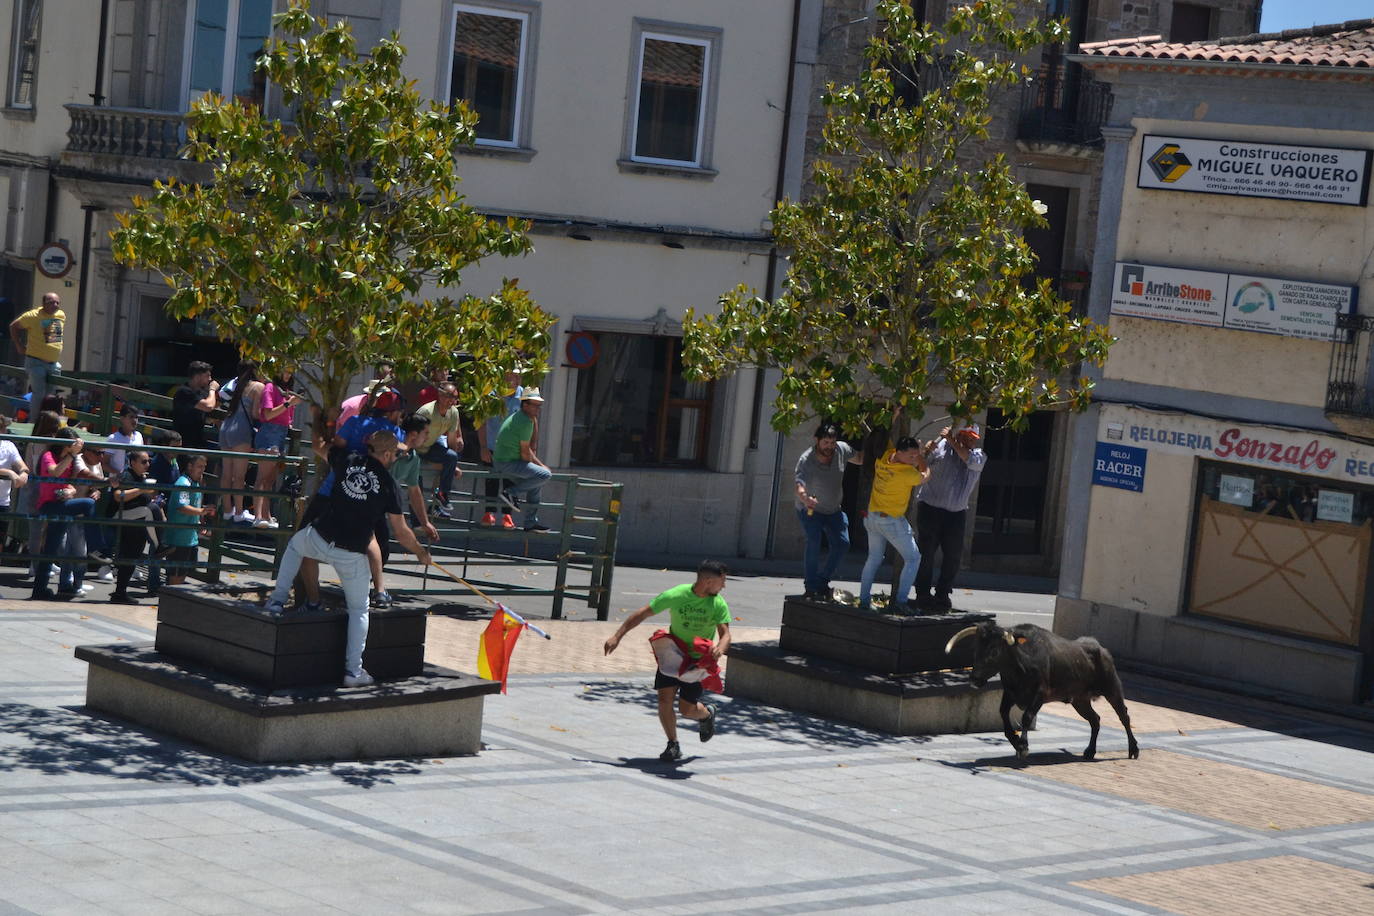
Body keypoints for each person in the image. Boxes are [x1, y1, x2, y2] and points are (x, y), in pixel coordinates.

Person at [262, 430, 433, 687]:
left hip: (320, 537)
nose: (398, 456)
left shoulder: (349, 459)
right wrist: (421, 553)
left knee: (295, 547)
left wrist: (323, 419)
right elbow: (401, 532)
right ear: (387, 454)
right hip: (352, 552)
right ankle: (353, 672)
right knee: (359, 610)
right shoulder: (389, 484)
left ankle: (276, 602)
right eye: (396, 453)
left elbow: (319, 445)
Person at [603, 559, 731, 762]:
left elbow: (726, 634)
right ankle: (673, 744)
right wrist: (617, 636)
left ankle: (706, 715)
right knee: (664, 699)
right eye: (722, 581)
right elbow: (643, 613)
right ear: (707, 581)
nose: (724, 585)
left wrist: (720, 648)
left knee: (687, 710)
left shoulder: (717, 603)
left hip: (697, 663)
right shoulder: (677, 594)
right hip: (673, 656)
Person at [913, 423, 987, 613]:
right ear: (959, 434)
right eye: (967, 437)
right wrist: (925, 452)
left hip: (956, 514)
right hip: (930, 508)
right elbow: (920, 467)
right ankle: (922, 593)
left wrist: (951, 440)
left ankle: (942, 593)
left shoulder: (978, 455)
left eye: (973, 439)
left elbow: (967, 458)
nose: (970, 441)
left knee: (953, 556)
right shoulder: (941, 447)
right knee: (926, 553)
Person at [858, 436, 928, 612]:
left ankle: (864, 601)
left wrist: (896, 415)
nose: (913, 459)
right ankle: (901, 602)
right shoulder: (907, 473)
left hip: (872, 517)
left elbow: (889, 439)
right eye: (911, 456)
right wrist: (921, 457)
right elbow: (925, 475)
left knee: (873, 559)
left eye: (915, 456)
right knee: (913, 558)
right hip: (890, 521)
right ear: (900, 452)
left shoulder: (885, 456)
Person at [30, 428, 102, 600]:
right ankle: (96, 547)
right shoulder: (49, 455)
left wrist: (69, 489)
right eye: (72, 443)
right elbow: (54, 471)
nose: (74, 446)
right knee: (88, 504)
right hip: (48, 505)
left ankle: (39, 589)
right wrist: (71, 455)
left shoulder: (70, 459)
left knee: (50, 550)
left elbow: (68, 483)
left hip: (61, 503)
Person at [794, 422, 863, 600]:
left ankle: (822, 581)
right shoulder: (807, 458)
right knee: (814, 542)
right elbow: (799, 484)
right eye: (825, 443)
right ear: (817, 440)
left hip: (834, 510)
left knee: (842, 544)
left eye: (832, 443)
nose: (829, 447)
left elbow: (861, 459)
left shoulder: (842, 450)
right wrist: (805, 498)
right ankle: (811, 587)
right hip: (811, 509)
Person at [109, 449, 172, 604]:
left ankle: (120, 593)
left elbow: (144, 498)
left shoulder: (142, 477)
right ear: (132, 462)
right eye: (143, 461)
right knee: (151, 509)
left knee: (133, 553)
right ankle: (159, 546)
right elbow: (118, 496)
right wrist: (142, 490)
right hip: (120, 515)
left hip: (136, 518)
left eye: (148, 461)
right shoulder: (126, 475)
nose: (147, 464)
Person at [493, 388, 552, 532]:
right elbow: (525, 452)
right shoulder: (525, 421)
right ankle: (510, 493)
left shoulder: (520, 417)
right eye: (535, 404)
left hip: (503, 461)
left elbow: (526, 451)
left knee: (536, 483)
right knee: (545, 475)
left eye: (539, 405)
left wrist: (539, 465)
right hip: (508, 463)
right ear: (525, 405)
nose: (538, 408)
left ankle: (530, 522)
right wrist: (542, 467)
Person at [251, 368, 303, 529]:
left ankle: (266, 515)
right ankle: (258, 516)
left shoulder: (286, 391)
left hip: (280, 435)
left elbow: (288, 419)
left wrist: (290, 404)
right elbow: (267, 415)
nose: (287, 375)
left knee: (270, 479)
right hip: (269, 433)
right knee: (262, 477)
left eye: (290, 372)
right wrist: (289, 403)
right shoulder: (270, 388)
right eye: (284, 371)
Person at [217, 360, 264, 522]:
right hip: (241, 429)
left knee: (226, 473)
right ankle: (238, 512)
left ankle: (227, 510)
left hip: (226, 427)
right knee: (239, 476)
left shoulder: (234, 385)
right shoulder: (258, 387)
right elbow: (256, 414)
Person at [477, 368, 523, 528]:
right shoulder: (491, 394)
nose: (513, 380)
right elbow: (481, 422)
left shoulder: (523, 396)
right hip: (492, 446)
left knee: (510, 481)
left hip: (513, 449)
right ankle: (488, 513)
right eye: (509, 376)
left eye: (516, 377)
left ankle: (507, 515)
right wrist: (483, 447)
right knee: (492, 480)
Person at [413, 381, 463, 518]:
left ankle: (441, 493)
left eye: (455, 397)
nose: (452, 401)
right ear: (440, 396)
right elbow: (411, 434)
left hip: (430, 447)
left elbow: (452, 440)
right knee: (416, 487)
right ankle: (417, 521)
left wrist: (454, 465)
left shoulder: (453, 413)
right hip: (415, 449)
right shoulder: (426, 411)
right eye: (449, 396)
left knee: (451, 456)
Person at [9, 292, 65, 410]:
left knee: (50, 398)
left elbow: (53, 338)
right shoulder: (33, 316)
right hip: (36, 362)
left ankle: (45, 423)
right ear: (44, 304)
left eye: (57, 303)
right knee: (38, 395)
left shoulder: (60, 315)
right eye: (51, 302)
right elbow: (13, 326)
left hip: (53, 364)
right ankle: (34, 423)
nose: (55, 305)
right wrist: (19, 346)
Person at [166, 454, 214, 586]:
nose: (202, 470)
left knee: (182, 574)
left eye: (204, 467)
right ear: (189, 466)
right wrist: (202, 511)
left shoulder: (196, 483)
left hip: (189, 537)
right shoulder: (183, 483)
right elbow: (182, 507)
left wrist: (201, 517)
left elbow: (193, 506)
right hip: (179, 538)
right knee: (176, 576)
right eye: (199, 466)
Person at [172, 361, 219, 450]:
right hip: (183, 442)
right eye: (207, 376)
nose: (210, 379)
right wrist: (212, 389)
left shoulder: (202, 394)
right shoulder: (184, 392)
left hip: (198, 441)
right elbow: (208, 406)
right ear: (197, 377)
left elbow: (213, 405)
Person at [0, 414, 29, 548]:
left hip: (3, 502)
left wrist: (23, 473)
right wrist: (10, 472)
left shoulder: (8, 445)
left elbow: (22, 465)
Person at [103, 404, 144, 477]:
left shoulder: (139, 436)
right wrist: (118, 474)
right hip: (119, 482)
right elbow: (104, 463)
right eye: (131, 417)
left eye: (136, 417)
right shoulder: (113, 438)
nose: (134, 420)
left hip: (135, 480)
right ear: (122, 418)